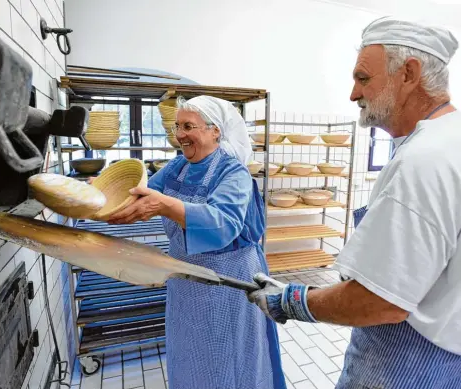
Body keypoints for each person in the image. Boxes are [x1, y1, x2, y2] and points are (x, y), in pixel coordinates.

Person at [249, 16, 461, 389]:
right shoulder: (450, 140)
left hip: (406, 363)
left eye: (363, 78)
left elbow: (381, 301)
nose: (353, 94)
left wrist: (291, 300)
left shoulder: (423, 160)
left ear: (408, 74)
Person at [106, 95, 286, 389]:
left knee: (225, 359)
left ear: (215, 130)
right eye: (177, 126)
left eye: (188, 126)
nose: (179, 135)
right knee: (189, 354)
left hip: (227, 281)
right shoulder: (178, 167)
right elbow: (140, 192)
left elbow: (223, 224)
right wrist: (100, 196)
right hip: (185, 282)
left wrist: (164, 205)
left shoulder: (233, 172)